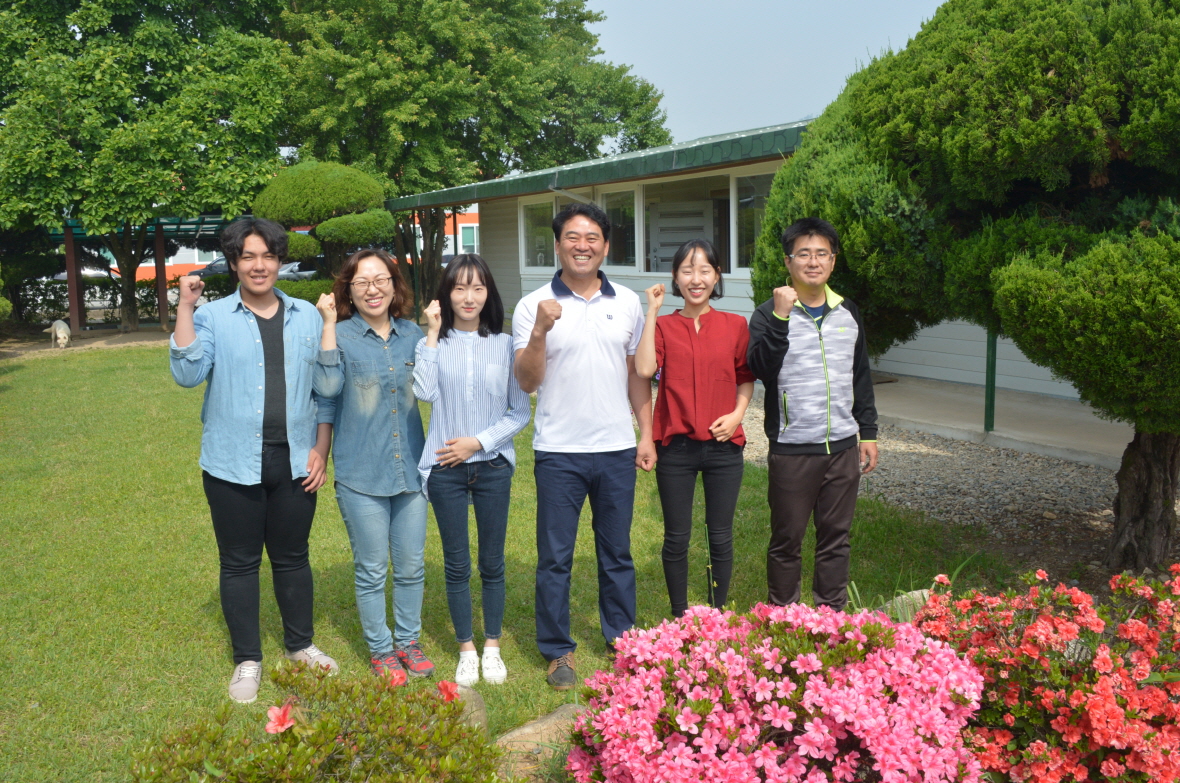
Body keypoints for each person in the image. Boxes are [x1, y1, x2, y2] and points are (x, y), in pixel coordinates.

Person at [170, 217, 337, 705]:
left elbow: (326, 390)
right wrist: (185, 306)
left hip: (295, 462)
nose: (259, 265)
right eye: (248, 256)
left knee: (293, 557)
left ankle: (300, 645)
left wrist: (321, 450)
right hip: (231, 463)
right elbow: (187, 373)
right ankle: (247, 658)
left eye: (268, 256)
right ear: (234, 263)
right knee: (239, 563)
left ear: (280, 260)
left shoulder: (307, 317)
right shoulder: (212, 317)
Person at [513, 202, 656, 690]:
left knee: (617, 552)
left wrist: (646, 434)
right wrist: (540, 330)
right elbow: (527, 381)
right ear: (557, 245)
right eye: (572, 237)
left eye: (592, 237)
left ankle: (623, 642)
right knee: (555, 557)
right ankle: (558, 651)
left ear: (606, 246)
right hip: (559, 451)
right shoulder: (533, 304)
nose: (582, 245)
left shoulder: (628, 303)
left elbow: (637, 376)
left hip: (615, 449)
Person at [746, 217, 879, 611]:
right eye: (803, 254)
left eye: (822, 253)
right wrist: (781, 318)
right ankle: (784, 616)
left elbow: (860, 375)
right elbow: (760, 369)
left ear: (833, 261)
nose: (813, 261)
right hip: (792, 448)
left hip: (842, 447)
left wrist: (868, 433)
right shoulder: (768, 314)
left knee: (836, 537)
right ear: (788, 262)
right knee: (787, 539)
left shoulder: (847, 312)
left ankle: (831, 617)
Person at [313, 249, 433, 680]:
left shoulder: (412, 334)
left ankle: (408, 642)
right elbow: (327, 388)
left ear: (394, 285)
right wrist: (328, 325)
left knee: (411, 566)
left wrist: (436, 334)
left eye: (380, 279)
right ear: (348, 290)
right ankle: (382, 650)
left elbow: (433, 387)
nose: (372, 289)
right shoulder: (339, 335)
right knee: (371, 569)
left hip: (411, 470)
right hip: (361, 473)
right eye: (361, 282)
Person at [413, 254, 530, 687]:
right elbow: (424, 392)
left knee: (492, 562)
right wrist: (430, 333)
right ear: (446, 294)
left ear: (488, 294)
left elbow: (519, 412)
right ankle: (466, 648)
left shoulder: (506, 345)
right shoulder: (431, 344)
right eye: (459, 287)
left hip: (492, 467)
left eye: (477, 288)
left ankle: (492, 646)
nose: (468, 297)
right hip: (445, 468)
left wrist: (477, 442)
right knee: (457, 564)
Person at [634, 239, 755, 618]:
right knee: (676, 538)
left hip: (724, 446)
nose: (696, 279)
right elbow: (644, 369)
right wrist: (652, 312)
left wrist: (737, 415)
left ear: (717, 276)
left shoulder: (735, 325)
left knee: (720, 536)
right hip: (676, 449)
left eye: (705, 270)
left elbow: (745, 377)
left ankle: (718, 615)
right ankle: (680, 616)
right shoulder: (665, 326)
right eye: (687, 271)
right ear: (676, 277)